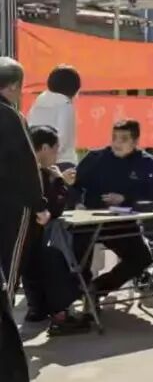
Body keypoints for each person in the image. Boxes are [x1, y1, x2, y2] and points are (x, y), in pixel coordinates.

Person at [74, 119, 153, 296]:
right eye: (114, 137)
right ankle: (78, 290)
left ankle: (97, 289)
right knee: (78, 249)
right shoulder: (95, 158)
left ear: (135, 141)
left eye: (123, 139)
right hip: (90, 220)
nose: (117, 143)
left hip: (123, 222)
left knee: (142, 258)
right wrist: (77, 203)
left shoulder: (146, 162)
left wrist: (125, 198)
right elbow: (74, 185)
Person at [20, 126, 88, 335]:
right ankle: (60, 316)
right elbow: (52, 210)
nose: (57, 154)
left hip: (22, 238)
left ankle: (37, 308)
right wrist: (59, 181)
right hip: (23, 236)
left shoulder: (21, 166)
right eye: (56, 149)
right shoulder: (36, 173)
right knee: (54, 258)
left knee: (37, 260)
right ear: (44, 148)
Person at [0, 57, 47, 298]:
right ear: (13, 86)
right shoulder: (11, 116)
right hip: (11, 202)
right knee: (9, 264)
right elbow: (28, 164)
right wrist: (40, 204)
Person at [26, 65, 82, 169]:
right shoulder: (65, 105)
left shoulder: (39, 101)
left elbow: (30, 128)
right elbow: (64, 138)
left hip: (38, 160)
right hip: (63, 161)